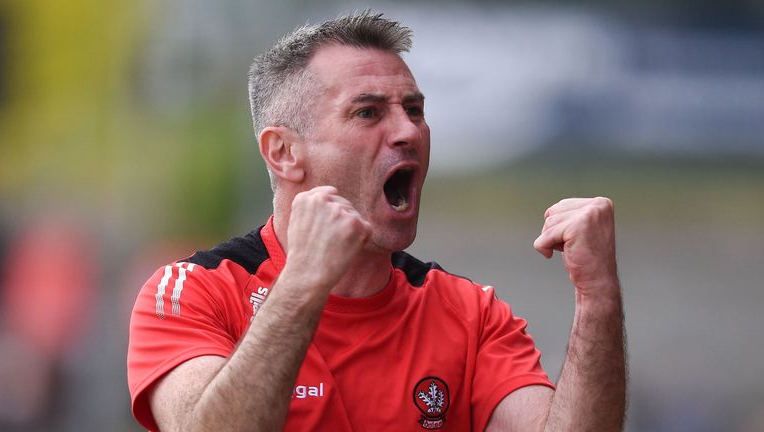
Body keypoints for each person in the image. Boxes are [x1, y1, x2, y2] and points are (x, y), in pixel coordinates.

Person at [127, 11, 626, 432]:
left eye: (414, 110)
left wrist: (598, 296)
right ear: (283, 153)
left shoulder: (471, 315)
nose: (408, 131)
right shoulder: (193, 292)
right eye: (368, 113)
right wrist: (304, 282)